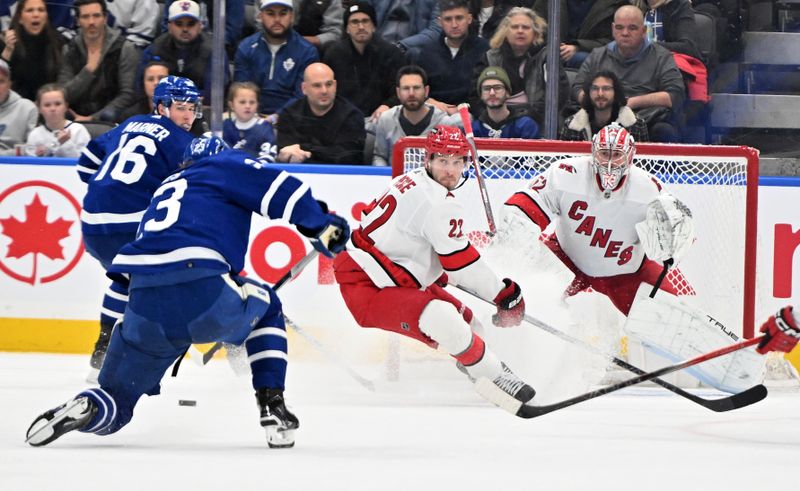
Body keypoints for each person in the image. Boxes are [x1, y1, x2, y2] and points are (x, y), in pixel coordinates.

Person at [25, 135, 351, 448]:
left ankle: (90, 406)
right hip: (200, 284)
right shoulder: (225, 164)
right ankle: (272, 406)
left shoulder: (164, 189)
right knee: (267, 308)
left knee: (118, 402)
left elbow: (123, 280)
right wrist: (323, 225)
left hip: (144, 302)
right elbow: (284, 192)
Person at [333, 125, 534, 414]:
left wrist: (432, 268)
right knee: (444, 319)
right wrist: (504, 295)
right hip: (368, 287)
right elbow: (460, 262)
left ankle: (481, 373)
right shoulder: (438, 203)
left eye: (457, 162)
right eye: (443, 161)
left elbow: (415, 245)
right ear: (428, 160)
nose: (450, 170)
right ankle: (496, 376)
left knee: (470, 326)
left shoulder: (411, 179)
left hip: (390, 275)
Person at [77, 76, 200, 382]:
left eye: (192, 108)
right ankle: (172, 345)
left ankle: (103, 348)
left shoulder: (130, 123)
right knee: (175, 277)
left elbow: (85, 166)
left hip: (91, 224)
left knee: (126, 277)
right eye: (180, 107)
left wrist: (110, 190)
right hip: (131, 224)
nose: (187, 116)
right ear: (161, 107)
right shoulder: (183, 142)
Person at [502, 123, 694, 316]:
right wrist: (512, 231)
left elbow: (676, 237)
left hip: (626, 273)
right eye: (604, 153)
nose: (609, 163)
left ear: (630, 155)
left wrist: (671, 246)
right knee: (526, 297)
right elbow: (529, 204)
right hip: (567, 259)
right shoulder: (565, 173)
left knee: (670, 318)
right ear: (593, 152)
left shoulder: (649, 190)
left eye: (617, 154)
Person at [571, 5, 685, 142]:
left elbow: (674, 95)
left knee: (664, 130)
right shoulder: (597, 55)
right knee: (571, 123)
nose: (625, 33)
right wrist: (601, 103)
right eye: (619, 28)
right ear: (613, 29)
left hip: (645, 118)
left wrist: (629, 103)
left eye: (632, 28)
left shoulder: (662, 57)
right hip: (601, 115)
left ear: (643, 31)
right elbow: (577, 89)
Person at [468, 7, 569, 125]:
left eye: (526, 27)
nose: (520, 31)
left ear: (535, 32)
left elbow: (559, 95)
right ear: (505, 31)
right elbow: (475, 97)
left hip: (537, 121)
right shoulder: (490, 58)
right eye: (514, 27)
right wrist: (491, 119)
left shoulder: (547, 57)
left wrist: (529, 119)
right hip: (496, 120)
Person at [321, 1, 406, 124]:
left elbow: (401, 89)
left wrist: (387, 106)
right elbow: (328, 91)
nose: (361, 27)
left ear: (373, 26)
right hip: (343, 120)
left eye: (365, 21)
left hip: (382, 120)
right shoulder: (334, 54)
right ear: (347, 28)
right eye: (354, 22)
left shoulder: (391, 53)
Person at [58, 0, 140, 123]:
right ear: (77, 21)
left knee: (109, 115)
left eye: (96, 16)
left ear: (105, 18)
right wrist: (88, 70)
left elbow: (128, 95)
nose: (91, 22)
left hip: (109, 117)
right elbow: (63, 94)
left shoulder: (124, 48)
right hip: (75, 116)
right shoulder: (69, 49)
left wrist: (93, 118)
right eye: (85, 17)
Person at [234, 0, 319, 117]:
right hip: (250, 116)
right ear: (260, 16)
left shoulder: (307, 52)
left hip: (291, 120)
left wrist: (275, 118)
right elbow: (240, 90)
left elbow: (301, 96)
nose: (277, 20)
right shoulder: (246, 47)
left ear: (292, 16)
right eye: (270, 13)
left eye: (283, 14)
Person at [406, 0, 489, 116]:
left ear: (469, 19)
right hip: (432, 113)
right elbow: (415, 86)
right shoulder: (427, 52)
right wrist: (428, 101)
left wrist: (463, 108)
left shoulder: (483, 49)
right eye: (448, 19)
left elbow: (485, 90)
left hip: (470, 114)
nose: (454, 25)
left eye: (459, 18)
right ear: (440, 22)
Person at [137, 0, 227, 106]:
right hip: (161, 107)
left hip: (200, 110)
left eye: (191, 24)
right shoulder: (156, 48)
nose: (185, 29)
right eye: (179, 24)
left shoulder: (214, 50)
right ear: (169, 26)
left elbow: (213, 94)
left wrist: (174, 97)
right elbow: (141, 88)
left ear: (200, 26)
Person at [276, 62, 366, 164]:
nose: (324, 91)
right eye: (317, 85)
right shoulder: (289, 115)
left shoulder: (352, 116)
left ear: (335, 85)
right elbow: (287, 154)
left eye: (329, 84)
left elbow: (348, 158)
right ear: (304, 89)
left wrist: (306, 149)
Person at [372, 65, 460, 166]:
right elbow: (379, 156)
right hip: (396, 180)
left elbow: (454, 161)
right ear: (398, 92)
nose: (411, 93)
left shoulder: (446, 124)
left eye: (416, 88)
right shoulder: (386, 119)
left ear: (426, 91)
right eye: (406, 88)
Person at [0, 0, 65, 101]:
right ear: (20, 18)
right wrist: (7, 51)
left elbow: (63, 80)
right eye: (30, 10)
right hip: (16, 106)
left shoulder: (58, 42)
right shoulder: (6, 43)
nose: (36, 14)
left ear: (46, 16)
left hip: (48, 105)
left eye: (41, 10)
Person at [533, 0, 627, 68]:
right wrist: (555, 48)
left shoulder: (615, 4)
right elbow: (535, 30)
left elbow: (615, 41)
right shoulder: (546, 2)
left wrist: (578, 47)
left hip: (591, 55)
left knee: (581, 59)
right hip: (551, 53)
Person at [560, 70, 648, 142]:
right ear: (588, 92)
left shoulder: (636, 124)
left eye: (606, 89)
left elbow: (641, 162)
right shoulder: (571, 125)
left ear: (616, 92)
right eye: (595, 88)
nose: (600, 94)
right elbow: (563, 162)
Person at [471, 65, 539, 138]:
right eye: (486, 88)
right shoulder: (473, 130)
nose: (492, 93)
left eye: (497, 88)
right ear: (481, 95)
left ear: (507, 92)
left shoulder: (526, 126)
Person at [25, 83, 90, 157]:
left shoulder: (78, 130)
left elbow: (85, 162)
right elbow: (30, 164)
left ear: (66, 106)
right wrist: (39, 155)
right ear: (39, 109)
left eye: (58, 104)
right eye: (47, 105)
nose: (53, 109)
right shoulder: (35, 134)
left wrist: (66, 144)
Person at [223, 81, 277, 161]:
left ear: (257, 104)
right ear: (232, 105)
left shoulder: (264, 128)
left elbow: (269, 157)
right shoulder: (226, 126)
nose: (248, 106)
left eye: (252, 102)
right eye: (242, 102)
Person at [0, 58, 37, 153]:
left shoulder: (27, 108)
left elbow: (32, 148)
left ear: (9, 84)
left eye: (1, 81)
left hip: (14, 165)